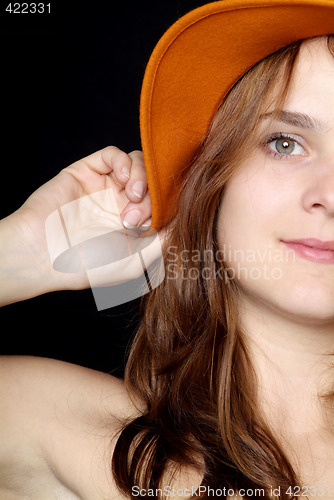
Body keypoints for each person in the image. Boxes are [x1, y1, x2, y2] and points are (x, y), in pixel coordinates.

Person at [1, 0, 334, 498]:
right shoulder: (57, 425)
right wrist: (20, 256)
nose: (328, 195)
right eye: (285, 143)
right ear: (212, 179)